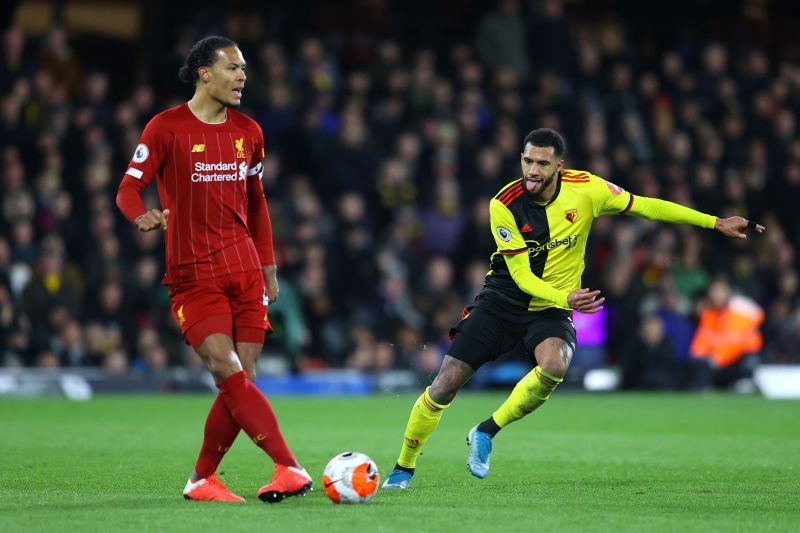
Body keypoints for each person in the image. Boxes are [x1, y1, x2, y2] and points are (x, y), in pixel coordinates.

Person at [382, 128, 765, 488]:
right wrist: (565, 298)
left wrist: (713, 222)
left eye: (543, 163)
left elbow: (646, 206)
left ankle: (486, 430)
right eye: (528, 161)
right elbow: (519, 275)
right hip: (503, 299)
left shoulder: (588, 189)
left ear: (559, 166)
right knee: (445, 385)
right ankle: (404, 466)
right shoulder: (504, 204)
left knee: (555, 365)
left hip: (551, 309)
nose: (533, 170)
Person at [116, 36, 311, 503]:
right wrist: (140, 215)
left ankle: (202, 479)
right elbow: (127, 188)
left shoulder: (250, 132)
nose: (243, 76)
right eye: (233, 67)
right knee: (226, 368)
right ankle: (288, 465)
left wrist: (269, 268)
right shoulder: (165, 128)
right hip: (192, 271)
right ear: (205, 72)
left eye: (244, 68)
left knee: (243, 375)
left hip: (244, 267)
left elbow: (257, 203)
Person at [689, 277, 764, 389]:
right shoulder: (710, 314)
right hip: (719, 358)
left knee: (748, 361)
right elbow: (703, 339)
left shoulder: (741, 310)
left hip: (740, 357)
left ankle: (745, 383)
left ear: (728, 291)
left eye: (719, 291)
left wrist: (716, 358)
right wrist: (697, 355)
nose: (716, 295)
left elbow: (735, 342)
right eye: (713, 291)